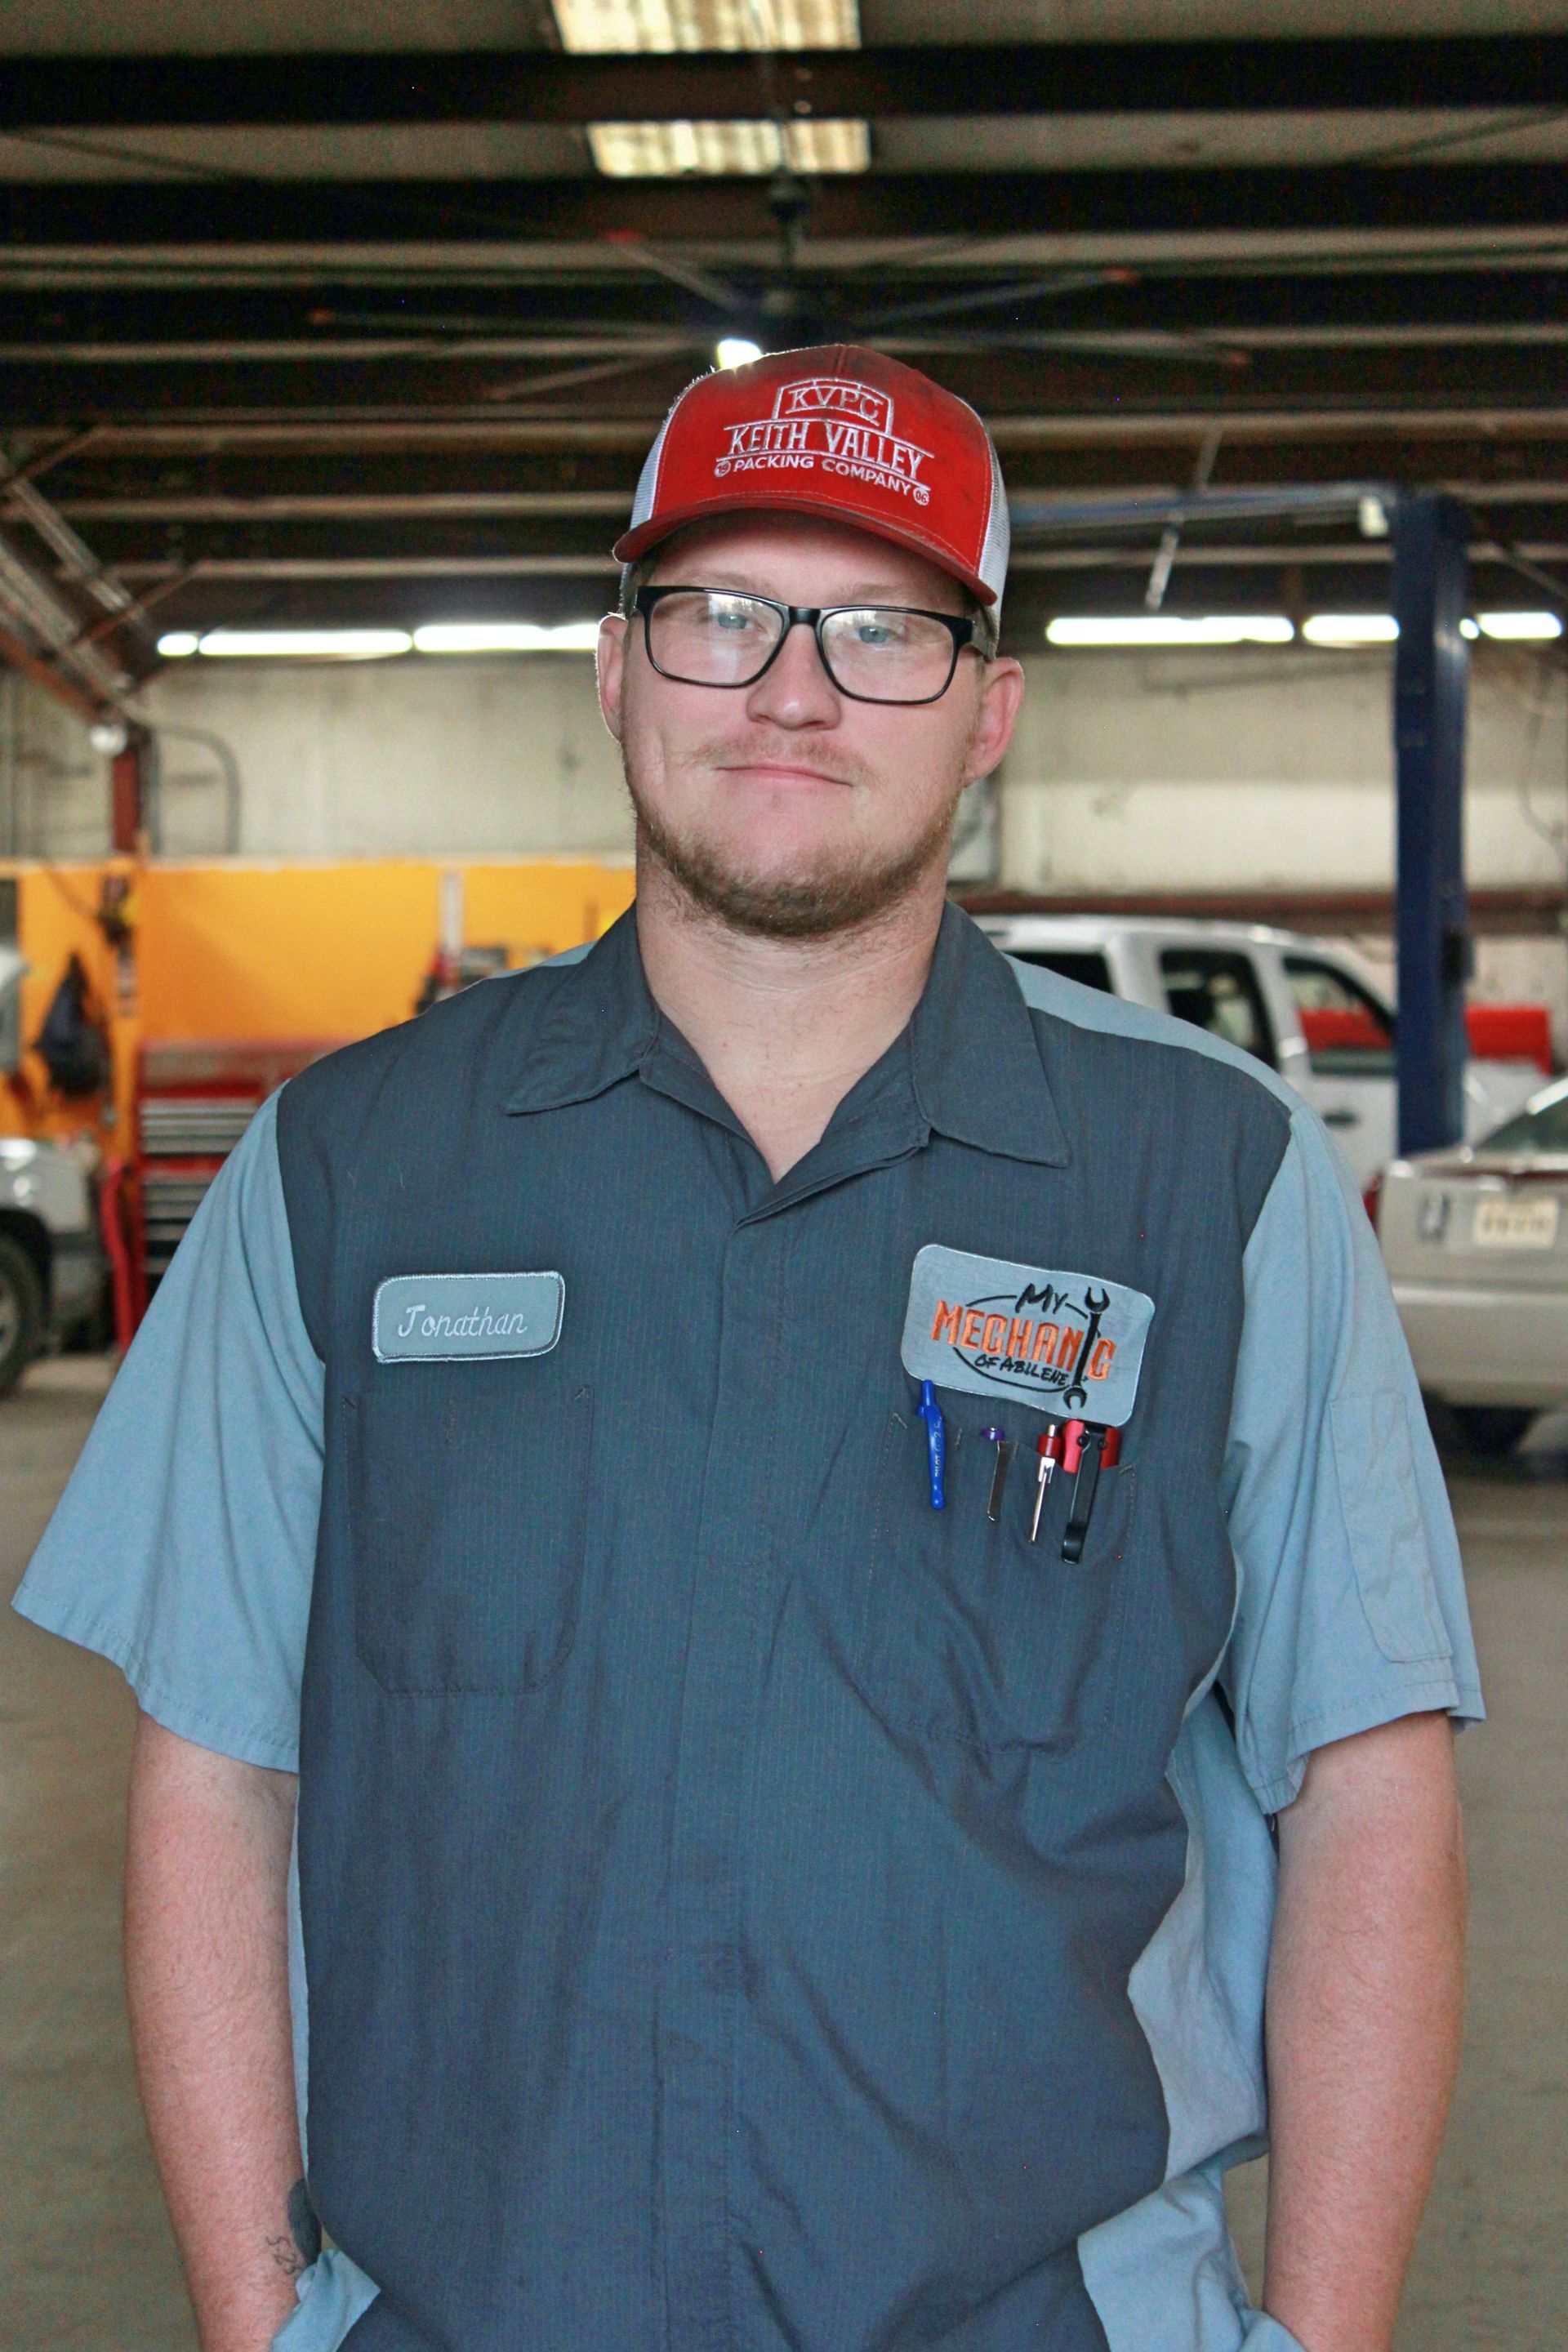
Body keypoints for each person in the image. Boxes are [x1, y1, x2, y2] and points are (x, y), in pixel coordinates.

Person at [15, 345, 1477, 2352]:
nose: (796, 686)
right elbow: (214, 1778)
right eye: (724, 613)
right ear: (616, 669)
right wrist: (257, 2326)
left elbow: (1368, 1786)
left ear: (989, 713)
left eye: (885, 627)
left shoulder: (1208, 1181)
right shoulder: (352, 1170)